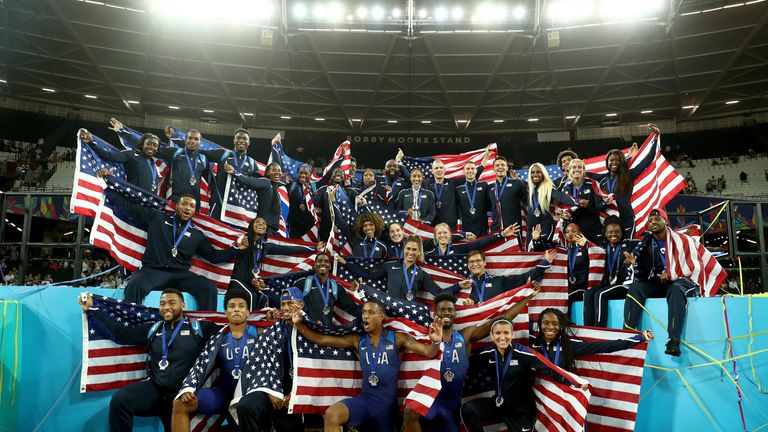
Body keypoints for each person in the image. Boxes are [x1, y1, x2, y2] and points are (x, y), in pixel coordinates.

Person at [289, 298, 443, 432]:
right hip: (366, 401)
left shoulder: (398, 338)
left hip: (387, 408)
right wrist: (299, 325)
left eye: (370, 312)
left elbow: (429, 352)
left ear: (381, 316)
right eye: (363, 312)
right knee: (332, 415)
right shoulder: (357, 341)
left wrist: (436, 340)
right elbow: (321, 339)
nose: (365, 316)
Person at [78, 289, 220, 432]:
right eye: (162, 303)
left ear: (182, 305)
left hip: (180, 396)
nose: (166, 307)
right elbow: (119, 333)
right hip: (155, 391)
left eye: (172, 303)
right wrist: (93, 309)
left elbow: (225, 334)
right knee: (119, 401)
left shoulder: (198, 328)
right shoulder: (153, 329)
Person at [403, 286, 540, 432]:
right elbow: (408, 341)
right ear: (435, 313)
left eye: (450, 309)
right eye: (442, 309)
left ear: (455, 313)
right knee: (410, 413)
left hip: (452, 407)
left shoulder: (465, 336)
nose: (446, 313)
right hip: (432, 401)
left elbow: (502, 320)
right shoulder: (426, 337)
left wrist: (527, 296)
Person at [120, 193, 241, 310]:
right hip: (154, 271)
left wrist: (235, 248)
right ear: (177, 206)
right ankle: (130, 324)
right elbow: (130, 209)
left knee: (209, 288)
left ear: (194, 211)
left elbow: (214, 257)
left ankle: (206, 326)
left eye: (192, 206)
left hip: (180, 275)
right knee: (135, 284)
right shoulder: (157, 218)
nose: (188, 208)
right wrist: (106, 186)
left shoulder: (196, 235)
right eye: (184, 204)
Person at [171, 289, 260, 432]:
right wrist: (188, 387)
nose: (236, 309)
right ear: (225, 312)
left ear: (248, 312)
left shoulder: (260, 334)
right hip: (223, 395)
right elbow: (201, 364)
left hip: (249, 396)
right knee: (181, 403)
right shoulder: (217, 337)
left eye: (241, 306)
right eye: (232, 306)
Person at [460, 318, 559, 432]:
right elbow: (464, 361)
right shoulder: (486, 354)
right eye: (498, 333)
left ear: (512, 334)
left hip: (521, 412)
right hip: (498, 405)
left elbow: (551, 370)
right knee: (468, 410)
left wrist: (576, 383)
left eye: (506, 333)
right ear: (491, 335)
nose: (502, 337)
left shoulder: (523, 354)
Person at [623, 208, 698, 356]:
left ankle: (674, 340)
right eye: (650, 221)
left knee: (676, 289)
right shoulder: (646, 243)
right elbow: (644, 274)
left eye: (657, 219)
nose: (653, 222)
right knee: (636, 288)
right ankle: (628, 334)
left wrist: (671, 274)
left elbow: (691, 265)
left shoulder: (681, 239)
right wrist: (635, 264)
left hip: (682, 279)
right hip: (661, 281)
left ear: (666, 221)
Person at [234, 288, 310, 432]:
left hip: (302, 394)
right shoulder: (273, 331)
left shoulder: (312, 330)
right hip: (274, 390)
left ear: (300, 305)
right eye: (283, 303)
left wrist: (294, 394)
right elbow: (260, 364)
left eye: (290, 303)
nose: (285, 307)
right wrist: (271, 391)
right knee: (246, 405)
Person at [532, 308, 653, 376]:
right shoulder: (532, 345)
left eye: (555, 323)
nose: (550, 327)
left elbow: (604, 346)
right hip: (539, 397)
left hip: (562, 395)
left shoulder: (569, 345)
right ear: (540, 324)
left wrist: (639, 338)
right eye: (545, 323)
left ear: (561, 326)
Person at [230, 217, 318, 308]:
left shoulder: (265, 247)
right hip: (238, 281)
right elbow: (232, 250)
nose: (261, 224)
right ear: (251, 226)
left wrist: (314, 248)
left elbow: (289, 249)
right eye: (257, 222)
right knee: (252, 296)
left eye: (264, 223)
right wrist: (238, 245)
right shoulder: (243, 241)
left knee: (264, 298)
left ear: (265, 231)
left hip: (251, 282)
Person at [264, 252, 360, 326]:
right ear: (314, 265)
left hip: (326, 332)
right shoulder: (303, 283)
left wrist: (369, 310)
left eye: (326, 261)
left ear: (330, 266)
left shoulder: (337, 287)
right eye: (319, 261)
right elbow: (286, 301)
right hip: (306, 330)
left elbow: (351, 308)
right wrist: (266, 290)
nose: (323, 263)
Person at [338, 236, 445, 301]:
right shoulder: (390, 265)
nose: (411, 252)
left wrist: (458, 286)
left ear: (418, 252)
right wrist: (346, 263)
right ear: (404, 249)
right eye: (408, 248)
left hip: (408, 311)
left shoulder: (421, 274)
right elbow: (369, 273)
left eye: (414, 250)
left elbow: (438, 292)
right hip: (390, 308)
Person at [448, 249, 555, 304]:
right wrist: (457, 287)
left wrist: (544, 264)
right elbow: (442, 295)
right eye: (471, 262)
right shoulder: (463, 286)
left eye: (478, 260)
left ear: (485, 263)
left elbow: (523, 278)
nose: (475, 264)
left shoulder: (499, 281)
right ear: (467, 265)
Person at [583, 216, 636, 327]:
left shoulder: (630, 245)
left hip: (624, 285)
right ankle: (588, 328)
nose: (613, 234)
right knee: (588, 294)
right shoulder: (602, 248)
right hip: (608, 284)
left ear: (622, 233)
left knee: (600, 294)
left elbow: (644, 244)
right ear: (605, 234)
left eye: (617, 232)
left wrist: (632, 262)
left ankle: (599, 328)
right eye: (610, 232)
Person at [423, 146, 491, 231]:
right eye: (436, 168)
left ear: (445, 170)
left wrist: (486, 157)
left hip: (450, 226)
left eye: (441, 168)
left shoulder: (452, 183)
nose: (439, 170)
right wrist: (400, 162)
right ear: (432, 171)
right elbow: (411, 179)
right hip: (432, 224)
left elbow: (472, 174)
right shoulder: (426, 184)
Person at [198, 128, 262, 218]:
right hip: (219, 203)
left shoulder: (252, 164)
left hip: (240, 207)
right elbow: (199, 152)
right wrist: (176, 137)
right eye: (238, 138)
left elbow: (256, 184)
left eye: (244, 139)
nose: (241, 140)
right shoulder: (223, 155)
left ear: (249, 142)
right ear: (234, 140)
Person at [84, 128, 162, 193]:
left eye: (155, 145)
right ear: (142, 144)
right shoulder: (131, 154)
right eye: (149, 143)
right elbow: (109, 156)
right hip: (134, 198)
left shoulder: (153, 163)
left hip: (150, 201)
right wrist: (91, 143)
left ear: (157, 150)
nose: (152, 147)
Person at [526, 163, 578, 251]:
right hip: (531, 228)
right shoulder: (530, 190)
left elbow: (561, 197)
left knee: (542, 252)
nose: (535, 174)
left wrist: (577, 202)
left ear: (543, 174)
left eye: (538, 172)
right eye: (532, 172)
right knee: (529, 255)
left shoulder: (548, 187)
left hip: (545, 226)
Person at [155, 129, 209, 210]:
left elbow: (209, 180)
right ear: (185, 140)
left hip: (194, 202)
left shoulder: (203, 159)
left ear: (200, 142)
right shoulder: (175, 152)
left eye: (196, 139)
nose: (192, 141)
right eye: (190, 138)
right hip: (175, 198)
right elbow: (154, 150)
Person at [232, 162, 287, 235]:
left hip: (273, 230)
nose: (277, 172)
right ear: (267, 173)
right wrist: (234, 173)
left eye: (279, 171)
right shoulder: (265, 182)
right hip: (263, 228)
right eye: (273, 170)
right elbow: (249, 181)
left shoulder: (275, 188)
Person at [560, 159, 607, 244]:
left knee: (597, 252)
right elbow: (565, 209)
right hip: (576, 229)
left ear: (583, 170)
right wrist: (566, 214)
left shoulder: (592, 184)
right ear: (570, 170)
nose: (577, 169)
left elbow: (599, 206)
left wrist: (605, 201)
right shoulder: (565, 188)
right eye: (574, 167)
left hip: (593, 226)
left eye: (579, 167)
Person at [314, 168, 358, 241]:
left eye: (341, 173)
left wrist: (360, 199)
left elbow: (359, 204)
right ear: (331, 176)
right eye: (335, 172)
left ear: (344, 177)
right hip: (327, 229)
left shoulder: (350, 191)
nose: (338, 174)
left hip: (344, 230)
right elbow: (313, 202)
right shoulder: (324, 190)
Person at [425, 222, 518, 256]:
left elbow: (480, 243)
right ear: (435, 237)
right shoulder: (429, 255)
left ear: (450, 235)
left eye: (445, 233)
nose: (442, 235)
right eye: (439, 233)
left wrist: (502, 234)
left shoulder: (459, 249)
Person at [488, 156, 527, 238]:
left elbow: (528, 201)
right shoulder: (489, 188)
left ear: (507, 168)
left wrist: (519, 179)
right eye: (497, 165)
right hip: (496, 230)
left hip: (514, 229)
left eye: (502, 165)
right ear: (493, 169)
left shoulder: (517, 183)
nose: (500, 167)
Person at [456, 161, 495, 237]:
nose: (470, 171)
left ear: (476, 171)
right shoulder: (459, 189)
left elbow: (490, 203)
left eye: (472, 168)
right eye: (467, 169)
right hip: (466, 230)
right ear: (464, 171)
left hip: (483, 228)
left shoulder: (484, 185)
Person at [562, 223, 591, 306]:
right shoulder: (563, 251)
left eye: (573, 231)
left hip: (582, 288)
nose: (570, 234)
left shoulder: (586, 248)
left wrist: (586, 245)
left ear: (580, 233)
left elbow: (598, 253)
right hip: (568, 287)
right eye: (567, 232)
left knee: (565, 299)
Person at [287, 164, 316, 239]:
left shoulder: (314, 187)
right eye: (301, 172)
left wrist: (309, 192)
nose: (303, 175)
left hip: (309, 226)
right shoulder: (291, 185)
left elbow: (315, 203)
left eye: (306, 173)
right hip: (294, 225)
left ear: (310, 175)